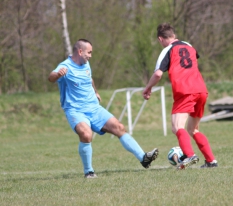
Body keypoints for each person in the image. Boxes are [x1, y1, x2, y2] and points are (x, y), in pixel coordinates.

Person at [48, 39, 158, 178]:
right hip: (75, 110)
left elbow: (90, 78)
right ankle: (89, 172)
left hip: (94, 108)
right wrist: (58, 74)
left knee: (119, 127)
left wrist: (96, 91)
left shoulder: (86, 64)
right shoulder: (65, 66)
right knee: (86, 135)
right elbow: (51, 77)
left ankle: (144, 158)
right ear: (80, 51)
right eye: (89, 52)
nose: (90, 56)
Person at [142, 23, 217, 170]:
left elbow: (158, 74)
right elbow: (194, 59)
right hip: (201, 89)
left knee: (177, 127)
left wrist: (148, 87)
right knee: (193, 129)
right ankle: (211, 161)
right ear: (173, 36)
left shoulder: (167, 50)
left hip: (185, 91)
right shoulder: (189, 46)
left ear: (160, 39)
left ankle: (189, 155)